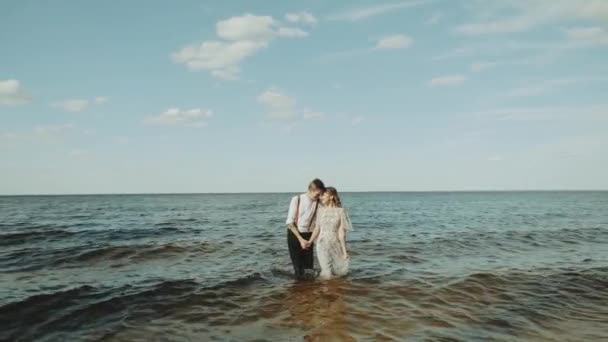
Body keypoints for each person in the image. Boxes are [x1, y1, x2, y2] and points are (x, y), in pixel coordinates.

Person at [308, 187, 352, 279]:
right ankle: (324, 290)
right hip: (321, 243)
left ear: (331, 197)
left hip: (335, 243)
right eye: (320, 195)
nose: (321, 197)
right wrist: (310, 241)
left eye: (323, 194)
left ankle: (334, 291)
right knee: (327, 271)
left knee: (338, 272)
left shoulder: (341, 211)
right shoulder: (320, 211)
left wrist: (344, 251)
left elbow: (341, 233)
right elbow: (317, 229)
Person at [285, 178, 326, 277]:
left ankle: (308, 290)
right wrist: (301, 240)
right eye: (317, 194)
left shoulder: (318, 202)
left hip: (309, 235)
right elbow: (290, 223)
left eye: (320, 194)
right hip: (295, 234)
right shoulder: (297, 199)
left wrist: (310, 240)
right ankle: (298, 289)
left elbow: (318, 224)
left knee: (308, 267)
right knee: (298, 267)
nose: (319, 197)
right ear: (311, 190)